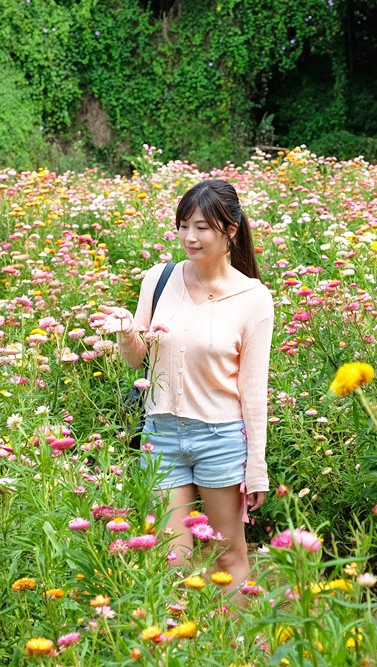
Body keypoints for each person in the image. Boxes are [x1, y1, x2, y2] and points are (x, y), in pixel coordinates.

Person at [100, 179, 274, 598]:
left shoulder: (253, 298)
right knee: (167, 556)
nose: (189, 238)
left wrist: (257, 467)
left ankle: (233, 650)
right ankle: (180, 647)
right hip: (160, 435)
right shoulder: (159, 279)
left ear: (230, 229)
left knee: (227, 554)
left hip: (221, 439)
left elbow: (252, 391)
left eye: (201, 227)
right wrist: (126, 330)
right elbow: (137, 361)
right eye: (182, 226)